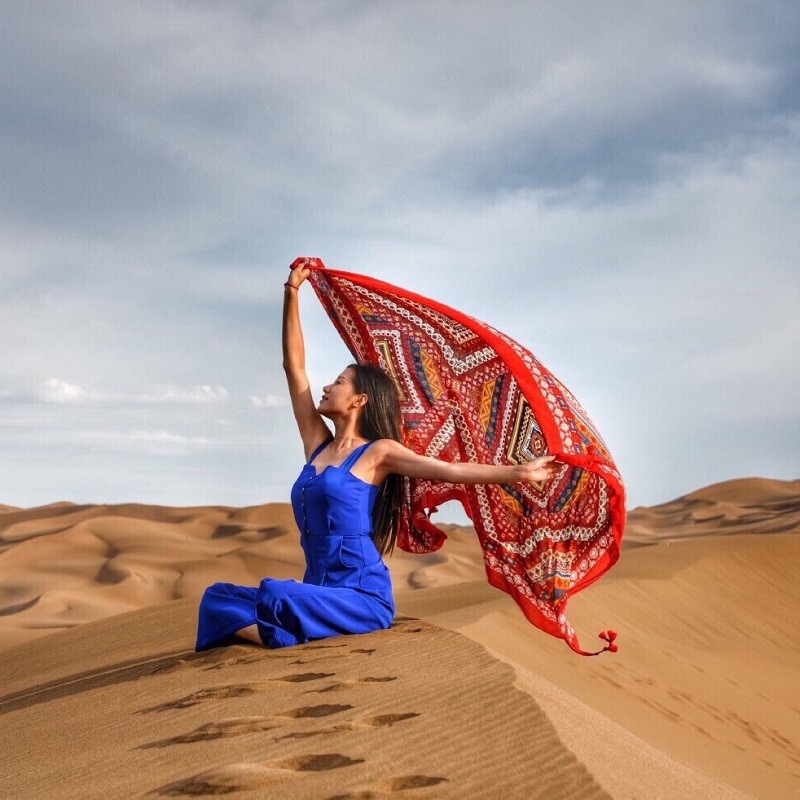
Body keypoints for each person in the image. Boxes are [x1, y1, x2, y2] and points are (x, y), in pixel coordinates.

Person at [195, 260, 558, 651]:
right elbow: (294, 368)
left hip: (361, 598)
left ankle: (282, 630)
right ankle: (285, 630)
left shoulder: (378, 453)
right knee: (216, 598)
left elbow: (450, 470)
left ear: (359, 400)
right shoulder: (317, 443)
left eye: (337, 382)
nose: (325, 387)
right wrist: (292, 293)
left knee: (276, 596)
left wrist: (518, 473)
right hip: (318, 591)